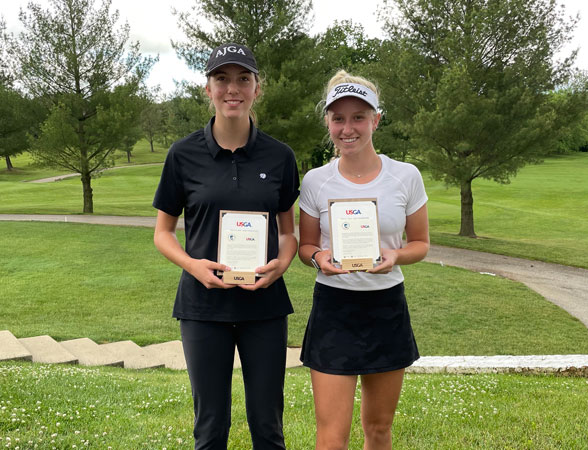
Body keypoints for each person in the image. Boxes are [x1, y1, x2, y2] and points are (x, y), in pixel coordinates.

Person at [152, 42, 299, 450]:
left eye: (243, 79)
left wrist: (282, 263)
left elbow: (288, 232)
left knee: (268, 426)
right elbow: (163, 233)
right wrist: (193, 265)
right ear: (208, 89)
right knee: (210, 426)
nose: (232, 88)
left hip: (264, 306)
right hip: (203, 307)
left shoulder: (280, 156)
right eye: (222, 79)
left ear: (257, 89)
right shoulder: (182, 155)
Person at [297, 70, 430, 450]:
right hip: (334, 310)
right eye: (338, 118)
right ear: (328, 122)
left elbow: (420, 243)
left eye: (358, 117)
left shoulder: (405, 176)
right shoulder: (315, 181)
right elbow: (306, 247)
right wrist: (319, 256)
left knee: (379, 429)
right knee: (331, 438)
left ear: (376, 119)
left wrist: (397, 255)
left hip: (386, 305)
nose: (348, 128)